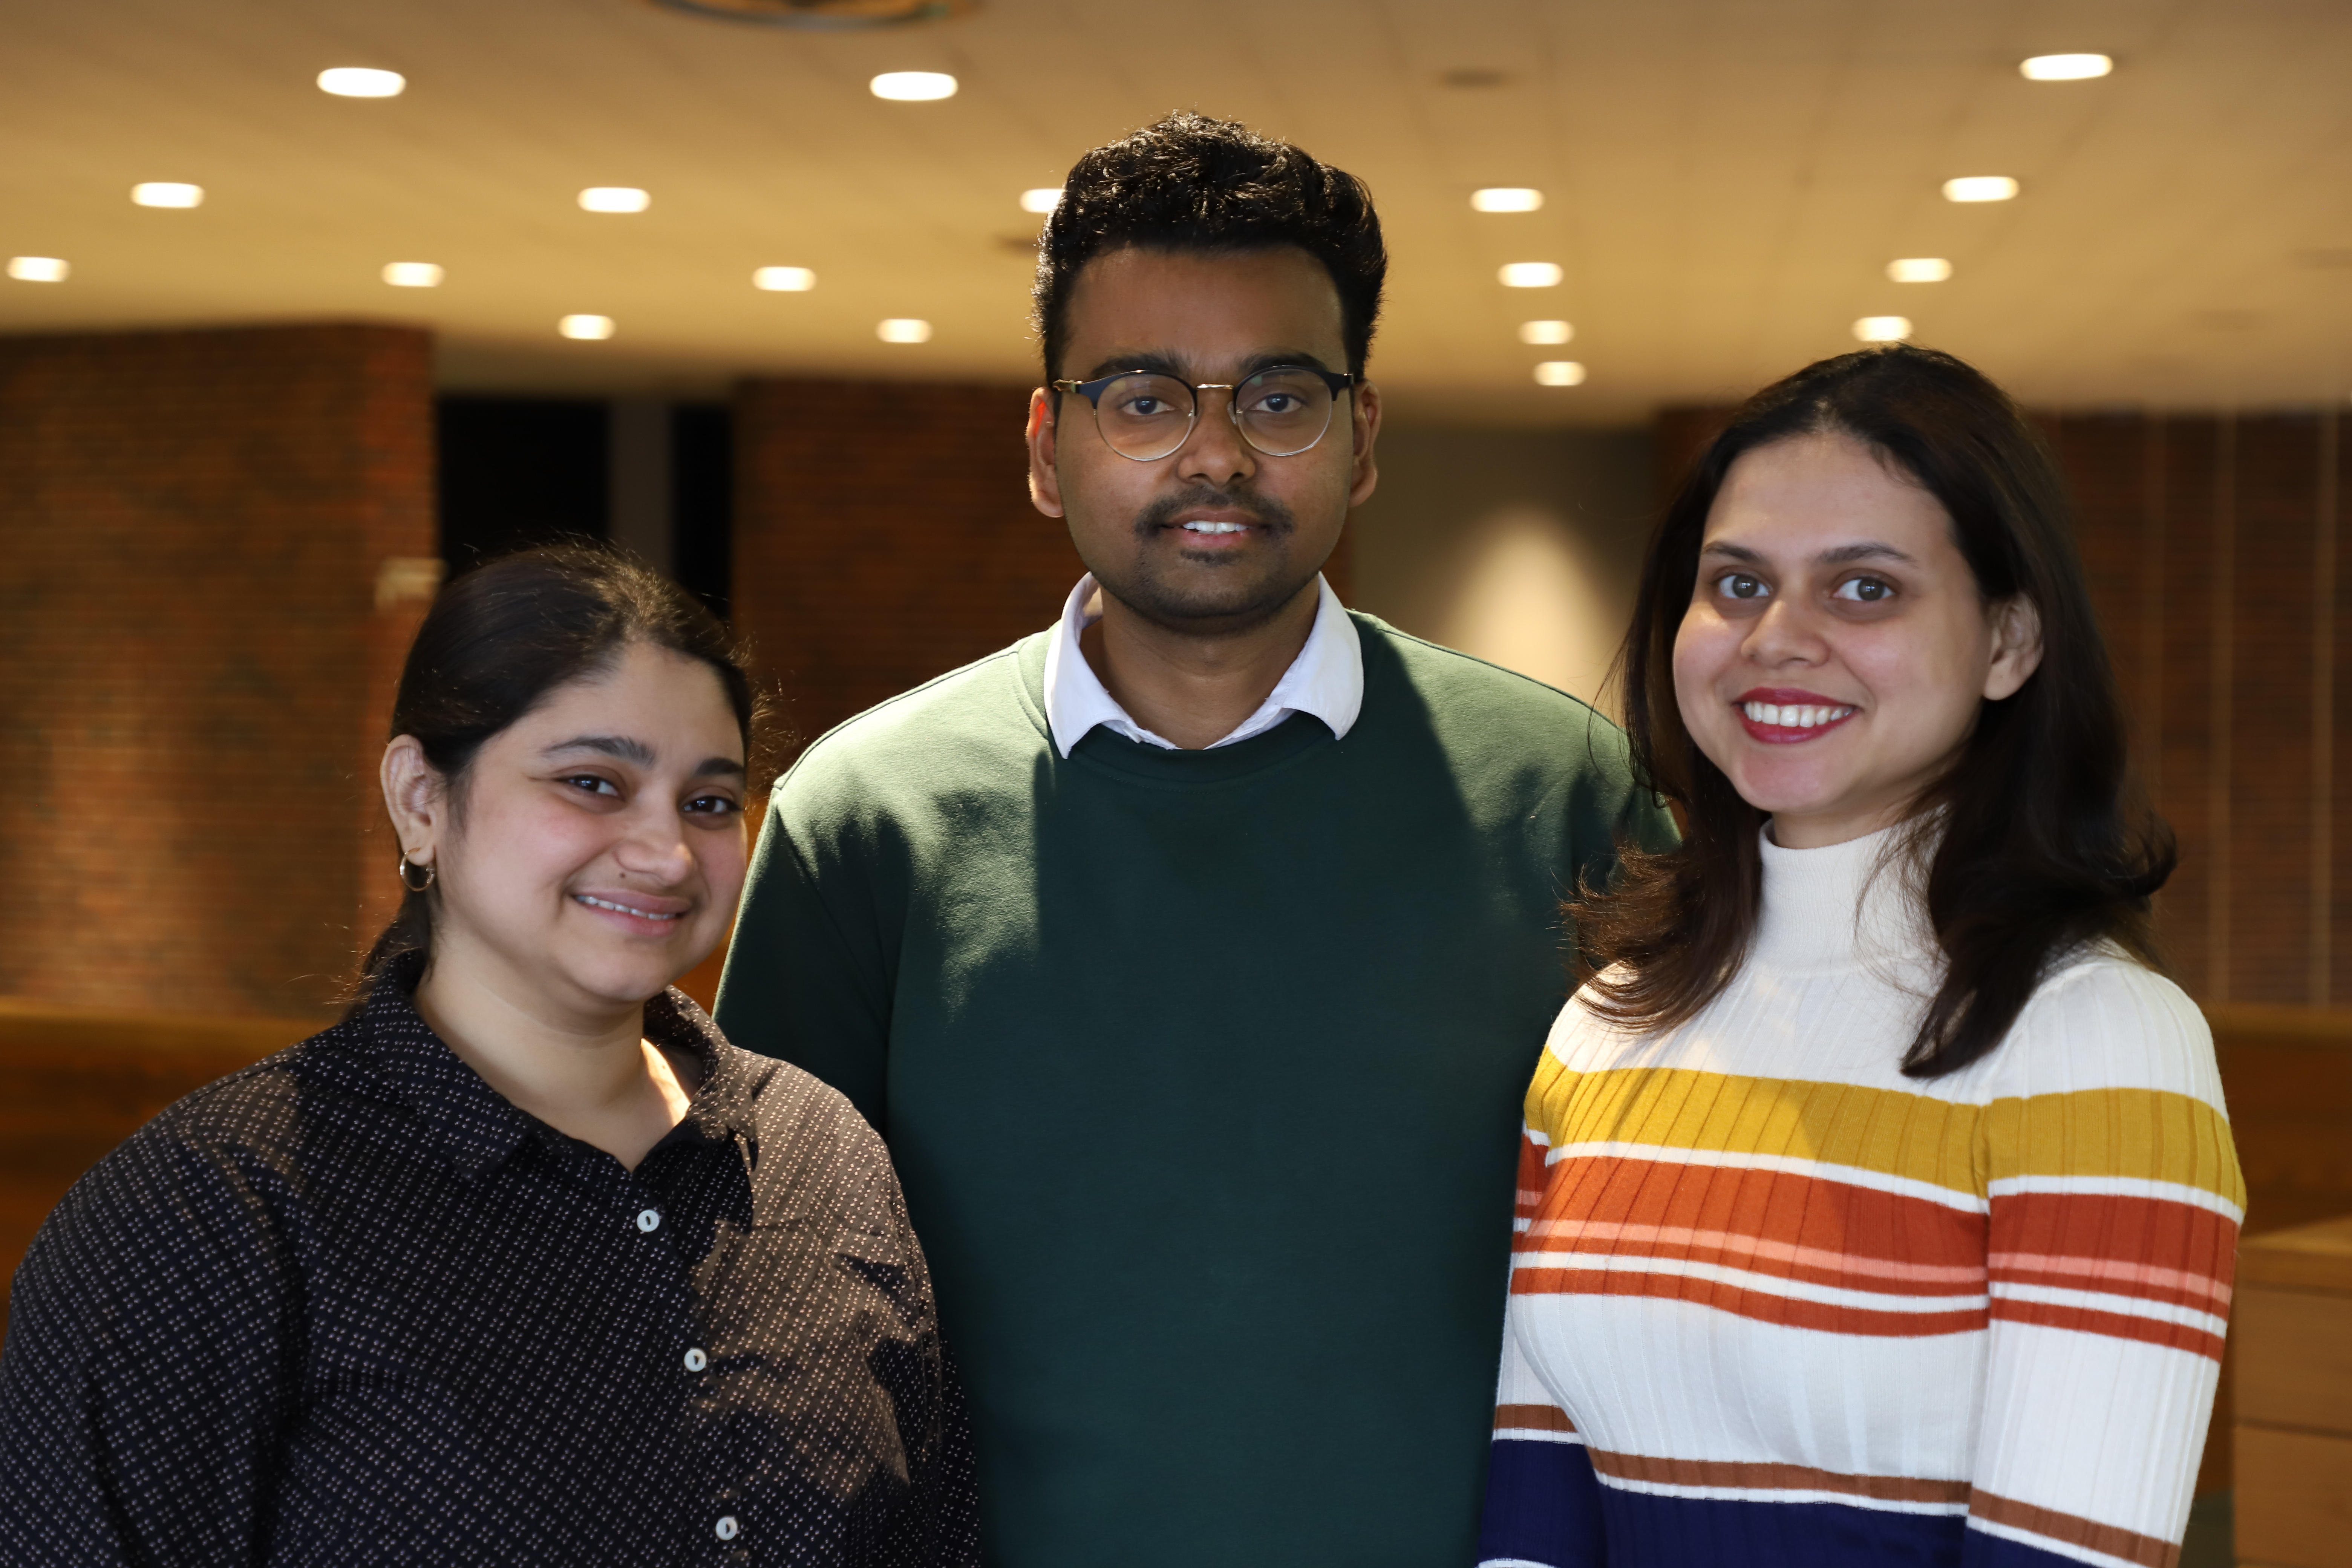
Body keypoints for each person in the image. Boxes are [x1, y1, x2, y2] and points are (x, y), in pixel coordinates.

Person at [714, 112, 1675, 1567]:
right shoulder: (868, 821)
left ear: (1360, 441)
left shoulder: (1560, 791)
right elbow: (773, 1310)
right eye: (1144, 399)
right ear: (1048, 446)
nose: (1214, 454)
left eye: (1279, 399)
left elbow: (1657, 1261)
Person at [0, 547, 978, 1566]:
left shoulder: (824, 1156)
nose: (666, 854)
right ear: (421, 800)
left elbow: (940, 1540)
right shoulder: (213, 1212)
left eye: (708, 801)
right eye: (594, 783)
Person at [1476, 345, 2242, 1568]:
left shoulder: (2099, 1042)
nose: (1776, 638)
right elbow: (1535, 1506)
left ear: (2010, 641)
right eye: (1736, 584)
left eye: (1865, 590)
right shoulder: (1607, 1027)